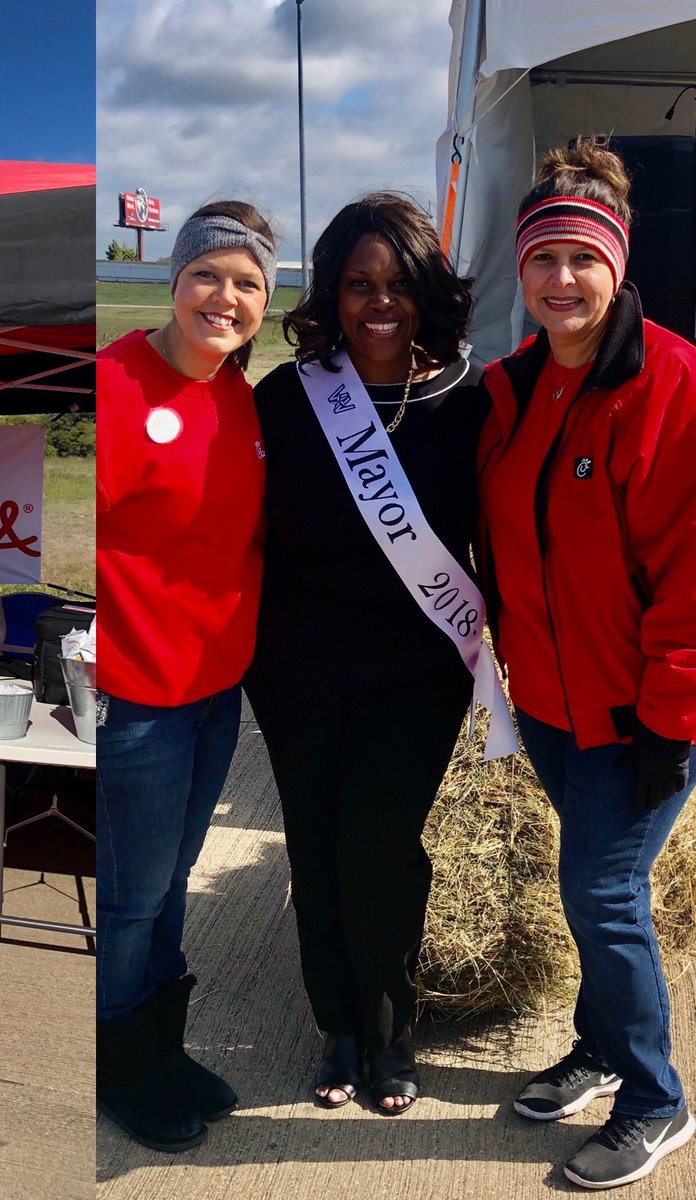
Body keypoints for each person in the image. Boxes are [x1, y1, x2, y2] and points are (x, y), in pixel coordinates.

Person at [476, 141, 696, 1189]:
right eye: (542, 259)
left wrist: (671, 720)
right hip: (551, 706)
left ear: (618, 263)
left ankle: (656, 1101)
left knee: (602, 897)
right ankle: (602, 1049)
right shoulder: (513, 387)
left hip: (638, 712)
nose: (561, 279)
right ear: (520, 270)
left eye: (582, 258)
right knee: (593, 892)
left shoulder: (673, 383)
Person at [243, 193, 484, 1115]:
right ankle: (336, 1026)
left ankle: (391, 1031)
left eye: (398, 284)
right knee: (313, 846)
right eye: (357, 284)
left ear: (427, 291)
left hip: (416, 676)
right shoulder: (286, 398)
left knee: (380, 850)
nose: (379, 303)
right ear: (331, 293)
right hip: (297, 670)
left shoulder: (468, 399)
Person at [96, 201, 273, 1151]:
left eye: (248, 282)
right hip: (137, 699)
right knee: (131, 897)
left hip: (212, 690)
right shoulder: (117, 382)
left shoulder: (237, 392)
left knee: (171, 882)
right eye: (208, 274)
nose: (225, 297)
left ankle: (159, 1048)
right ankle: (120, 1067)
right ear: (174, 279)